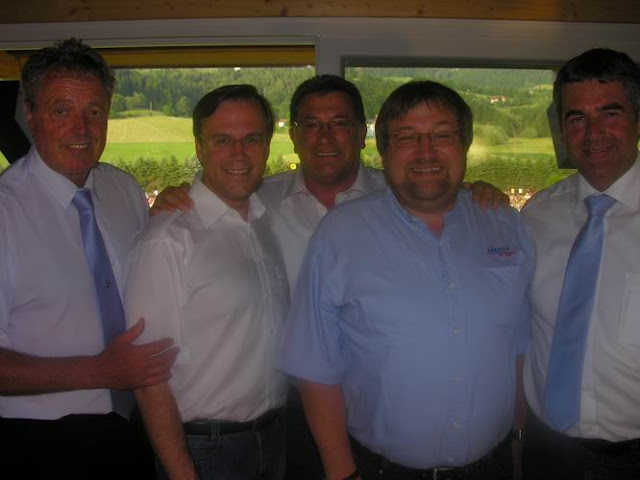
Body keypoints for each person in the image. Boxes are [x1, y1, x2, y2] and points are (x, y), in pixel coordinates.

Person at [152, 74, 510, 480]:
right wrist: (176, 196)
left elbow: (449, 207)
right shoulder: (255, 203)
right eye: (311, 124)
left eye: (340, 123)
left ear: (362, 134)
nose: (325, 137)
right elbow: (206, 209)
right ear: (293, 136)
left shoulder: (403, 194)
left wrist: (478, 193)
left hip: (378, 403)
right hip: (283, 406)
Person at [280, 80, 534, 480]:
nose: (425, 151)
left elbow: (518, 349)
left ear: (465, 143)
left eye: (442, 135)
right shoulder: (340, 234)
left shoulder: (506, 225)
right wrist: (342, 474)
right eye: (406, 137)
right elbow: (316, 369)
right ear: (383, 150)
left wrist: (518, 439)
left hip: (495, 465)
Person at [0, 38, 178, 479]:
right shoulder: (4, 212)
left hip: (137, 426)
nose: (81, 129)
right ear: (30, 115)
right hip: (39, 442)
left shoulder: (124, 189)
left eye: (94, 111)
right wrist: (99, 371)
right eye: (61, 110)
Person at [125, 84, 290, 480]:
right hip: (205, 450)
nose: (239, 153)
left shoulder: (265, 219)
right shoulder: (167, 240)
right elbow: (148, 378)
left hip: (274, 437)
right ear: (199, 147)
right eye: (222, 140)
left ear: (267, 145)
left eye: (252, 139)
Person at [521, 48, 640, 480]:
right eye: (576, 118)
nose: (593, 133)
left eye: (610, 113)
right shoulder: (536, 216)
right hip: (546, 449)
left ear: (637, 118)